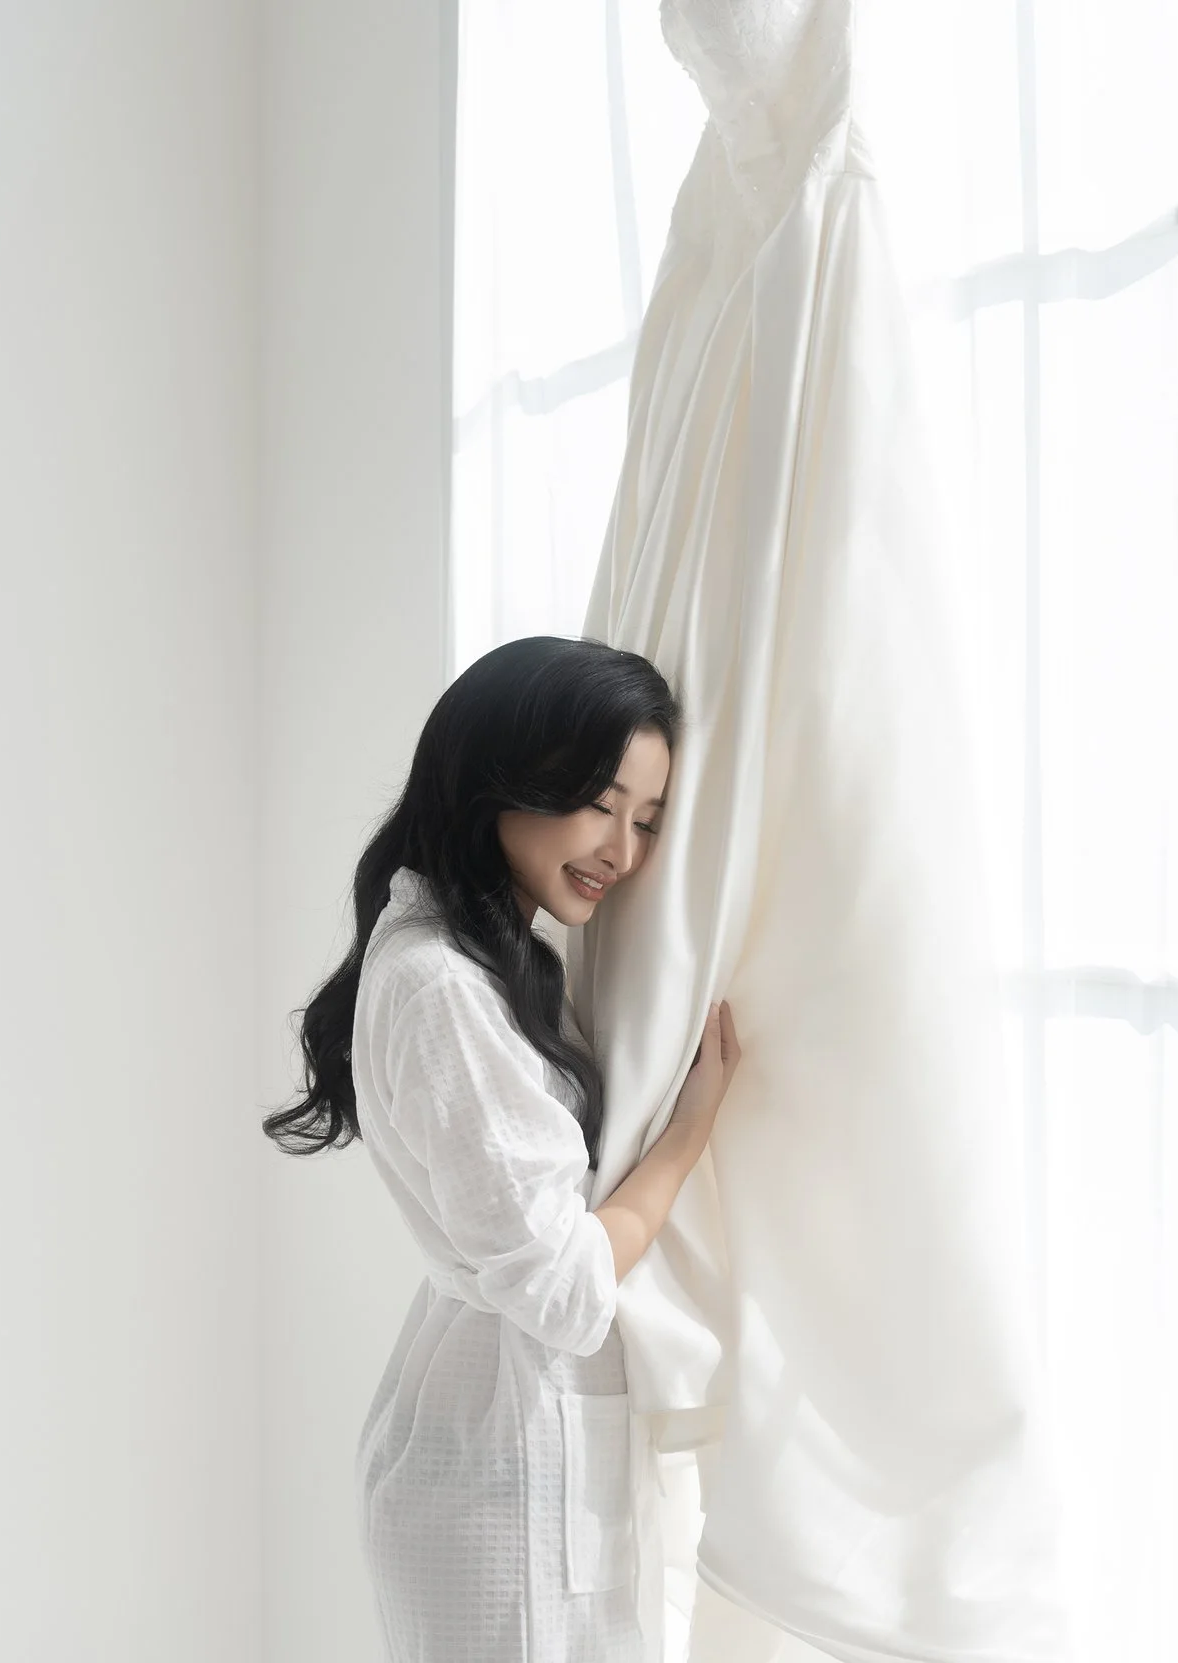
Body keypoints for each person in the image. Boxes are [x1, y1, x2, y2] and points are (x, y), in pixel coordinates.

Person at [265, 634, 741, 1661]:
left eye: (647, 819)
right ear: (502, 777)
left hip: (505, 1450)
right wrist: (690, 1128)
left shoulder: (482, 955)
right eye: (598, 802)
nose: (621, 848)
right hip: (497, 1482)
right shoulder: (441, 983)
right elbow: (565, 1290)